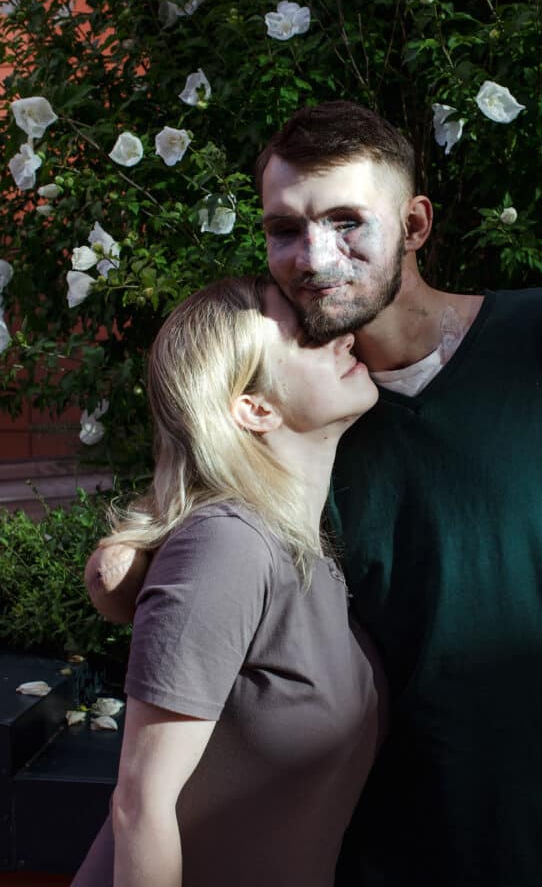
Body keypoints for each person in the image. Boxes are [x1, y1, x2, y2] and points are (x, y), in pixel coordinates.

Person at [88, 102, 542, 887]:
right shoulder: (306, 416)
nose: (314, 256)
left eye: (346, 222)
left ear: (414, 224)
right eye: (284, 229)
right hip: (381, 844)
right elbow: (190, 541)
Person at [73, 274, 386, 887]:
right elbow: (141, 807)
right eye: (307, 336)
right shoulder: (227, 544)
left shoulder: (302, 554)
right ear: (255, 407)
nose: (343, 338)